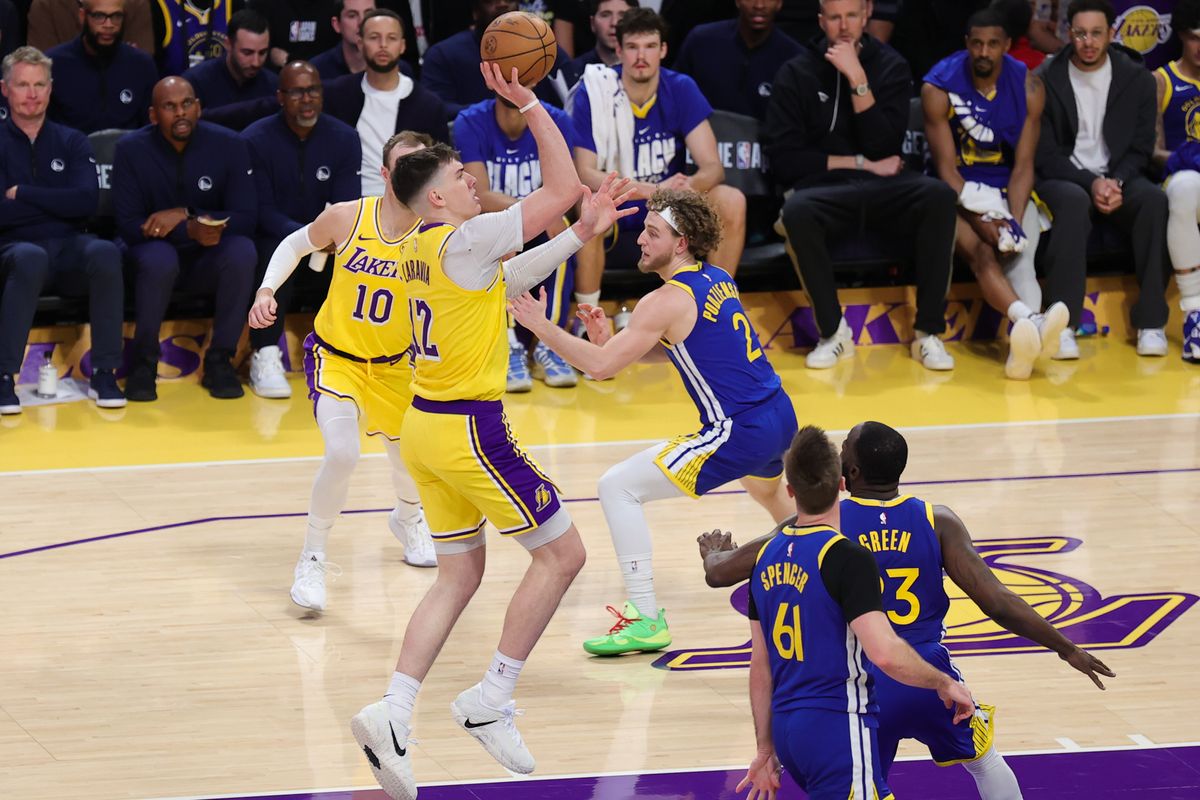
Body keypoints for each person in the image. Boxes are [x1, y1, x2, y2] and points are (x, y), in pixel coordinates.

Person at [348, 65, 630, 800]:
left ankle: (394, 712)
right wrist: (531, 102)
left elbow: (504, 283)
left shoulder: (416, 248)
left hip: (422, 429)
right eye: (459, 176)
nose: (474, 181)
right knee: (564, 555)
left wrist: (582, 235)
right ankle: (491, 699)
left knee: (460, 575)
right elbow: (564, 184)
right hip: (470, 430)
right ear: (436, 196)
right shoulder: (465, 235)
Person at [703, 421, 1117, 799]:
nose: (840, 449)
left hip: (861, 687)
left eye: (844, 446)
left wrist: (714, 555)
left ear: (852, 473)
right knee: (985, 760)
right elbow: (997, 603)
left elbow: (723, 574)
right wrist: (1065, 647)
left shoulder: (824, 523)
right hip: (927, 675)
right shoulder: (937, 520)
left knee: (863, 784)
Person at [509, 188, 796, 656]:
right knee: (768, 495)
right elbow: (687, 351)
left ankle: (644, 617)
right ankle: (822, 571)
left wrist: (542, 327)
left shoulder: (663, 300)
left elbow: (601, 369)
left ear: (681, 242)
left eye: (652, 232)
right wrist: (610, 344)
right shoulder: (718, 276)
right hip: (779, 414)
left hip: (737, 428)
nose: (639, 239)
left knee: (617, 486)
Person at [249, 130, 438, 612]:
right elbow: (294, 245)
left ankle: (408, 519)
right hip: (338, 358)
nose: (411, 172)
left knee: (409, 459)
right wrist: (266, 291)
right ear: (385, 172)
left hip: (399, 367)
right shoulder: (348, 216)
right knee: (343, 454)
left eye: (421, 163)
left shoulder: (439, 230)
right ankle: (312, 556)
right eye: (403, 164)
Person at [737, 425, 977, 800]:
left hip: (787, 732)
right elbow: (884, 652)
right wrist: (944, 682)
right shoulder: (845, 557)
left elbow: (760, 665)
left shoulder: (766, 557)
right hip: (835, 725)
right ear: (840, 484)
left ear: (789, 491)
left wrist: (765, 748)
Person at [765, 0, 958, 373]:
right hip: (822, 189)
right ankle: (833, 332)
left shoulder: (891, 66)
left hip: (885, 188)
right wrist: (859, 164)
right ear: (821, 20)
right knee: (797, 211)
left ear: (867, 14)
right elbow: (785, 160)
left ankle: (928, 334)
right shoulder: (795, 72)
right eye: (834, 17)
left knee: (938, 196)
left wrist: (858, 79)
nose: (844, 26)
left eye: (851, 16)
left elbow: (883, 145)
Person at [923, 8, 1073, 380]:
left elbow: (1024, 166)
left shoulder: (1029, 86)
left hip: (1009, 189)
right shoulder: (938, 87)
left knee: (1021, 254)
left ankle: (1022, 351)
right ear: (967, 45)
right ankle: (1032, 321)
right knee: (984, 253)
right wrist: (984, 217)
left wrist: (1013, 222)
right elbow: (947, 171)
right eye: (977, 44)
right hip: (955, 195)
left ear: (1007, 46)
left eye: (992, 44)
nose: (984, 52)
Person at [570, 8, 746, 320]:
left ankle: (716, 312)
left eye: (650, 46)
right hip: (619, 205)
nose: (642, 56)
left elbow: (712, 168)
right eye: (633, 47)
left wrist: (682, 191)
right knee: (589, 209)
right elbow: (585, 172)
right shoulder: (594, 92)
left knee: (730, 199)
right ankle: (587, 319)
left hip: (668, 209)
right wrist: (656, 190)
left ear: (663, 50)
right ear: (619, 50)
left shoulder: (680, 88)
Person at [1035, 0, 1171, 359]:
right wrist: (1090, 182)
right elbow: (1045, 154)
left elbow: (1142, 148)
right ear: (1069, 33)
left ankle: (1152, 323)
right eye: (1080, 34)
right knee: (1074, 201)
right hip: (1065, 177)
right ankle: (1062, 324)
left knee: (1154, 201)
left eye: (1097, 33)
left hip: (1119, 177)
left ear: (1112, 33)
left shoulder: (1137, 77)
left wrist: (1116, 182)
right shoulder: (1046, 76)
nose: (1088, 42)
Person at [113, 76, 257, 401]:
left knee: (242, 251)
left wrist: (188, 215)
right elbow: (128, 225)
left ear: (199, 108)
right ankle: (144, 363)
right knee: (158, 258)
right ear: (153, 115)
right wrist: (186, 230)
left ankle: (221, 360)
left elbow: (247, 217)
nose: (180, 113)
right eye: (169, 107)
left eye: (187, 104)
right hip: (150, 257)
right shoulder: (131, 150)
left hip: (207, 253)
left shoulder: (230, 145)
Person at [0, 46, 125, 414]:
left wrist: (23, 194)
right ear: (5, 89)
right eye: (23, 85)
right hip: (12, 250)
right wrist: (56, 201)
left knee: (104, 252)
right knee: (30, 256)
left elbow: (86, 202)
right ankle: (4, 376)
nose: (32, 94)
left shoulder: (72, 140)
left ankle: (104, 372)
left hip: (69, 246)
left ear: (51, 89)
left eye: (39, 84)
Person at [242, 62, 362, 399]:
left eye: (313, 90)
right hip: (277, 234)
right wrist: (307, 238)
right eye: (297, 92)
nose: (306, 99)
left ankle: (347, 357)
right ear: (281, 96)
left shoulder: (344, 138)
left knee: (359, 252)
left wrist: (326, 238)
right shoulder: (254, 139)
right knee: (268, 251)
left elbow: (345, 203)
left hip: (330, 240)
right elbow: (260, 210)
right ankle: (265, 353)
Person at [453, 88, 580, 392]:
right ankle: (508, 345)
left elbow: (569, 186)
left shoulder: (556, 119)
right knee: (498, 242)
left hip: (536, 222)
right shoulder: (470, 121)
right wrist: (533, 211)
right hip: (488, 222)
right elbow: (479, 195)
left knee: (564, 233)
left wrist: (544, 214)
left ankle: (551, 344)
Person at [322, 8, 448, 196]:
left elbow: (440, 170)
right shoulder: (336, 95)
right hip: (349, 203)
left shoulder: (428, 105)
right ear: (360, 43)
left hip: (407, 205)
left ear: (403, 45)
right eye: (374, 37)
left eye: (391, 38)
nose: (383, 45)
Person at [420, 0, 577, 118]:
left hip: (534, 137)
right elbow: (435, 109)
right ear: (475, 11)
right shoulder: (443, 54)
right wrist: (498, 111)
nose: (502, 4)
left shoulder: (544, 49)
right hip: (471, 140)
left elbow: (572, 102)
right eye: (491, 0)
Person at [1152, 0, 1200, 364]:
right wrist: (1182, 157)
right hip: (1182, 177)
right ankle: (1195, 314)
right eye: (1195, 38)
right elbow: (1150, 150)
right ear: (1182, 36)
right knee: (1186, 186)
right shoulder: (1162, 79)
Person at [673, 0, 802, 121]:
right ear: (737, 1)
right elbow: (673, 97)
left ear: (779, 3)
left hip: (767, 143)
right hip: (700, 140)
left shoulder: (794, 59)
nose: (759, 5)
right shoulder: (700, 42)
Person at [46, 0, 158, 133]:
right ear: (82, 16)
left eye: (116, 16)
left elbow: (151, 131)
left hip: (129, 152)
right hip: (70, 153)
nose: (109, 25)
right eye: (99, 16)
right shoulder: (54, 65)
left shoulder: (142, 65)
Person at [181, 9, 277, 111]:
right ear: (228, 45)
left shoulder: (274, 86)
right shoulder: (195, 83)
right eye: (247, 53)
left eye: (262, 53)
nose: (256, 62)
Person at [254, 0, 340, 68]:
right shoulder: (265, 5)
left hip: (323, 77)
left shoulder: (333, 6)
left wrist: (289, 60)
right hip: (279, 78)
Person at [568, 0, 637, 74]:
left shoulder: (647, 69)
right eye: (605, 15)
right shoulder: (573, 72)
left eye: (623, 16)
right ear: (592, 23)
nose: (614, 23)